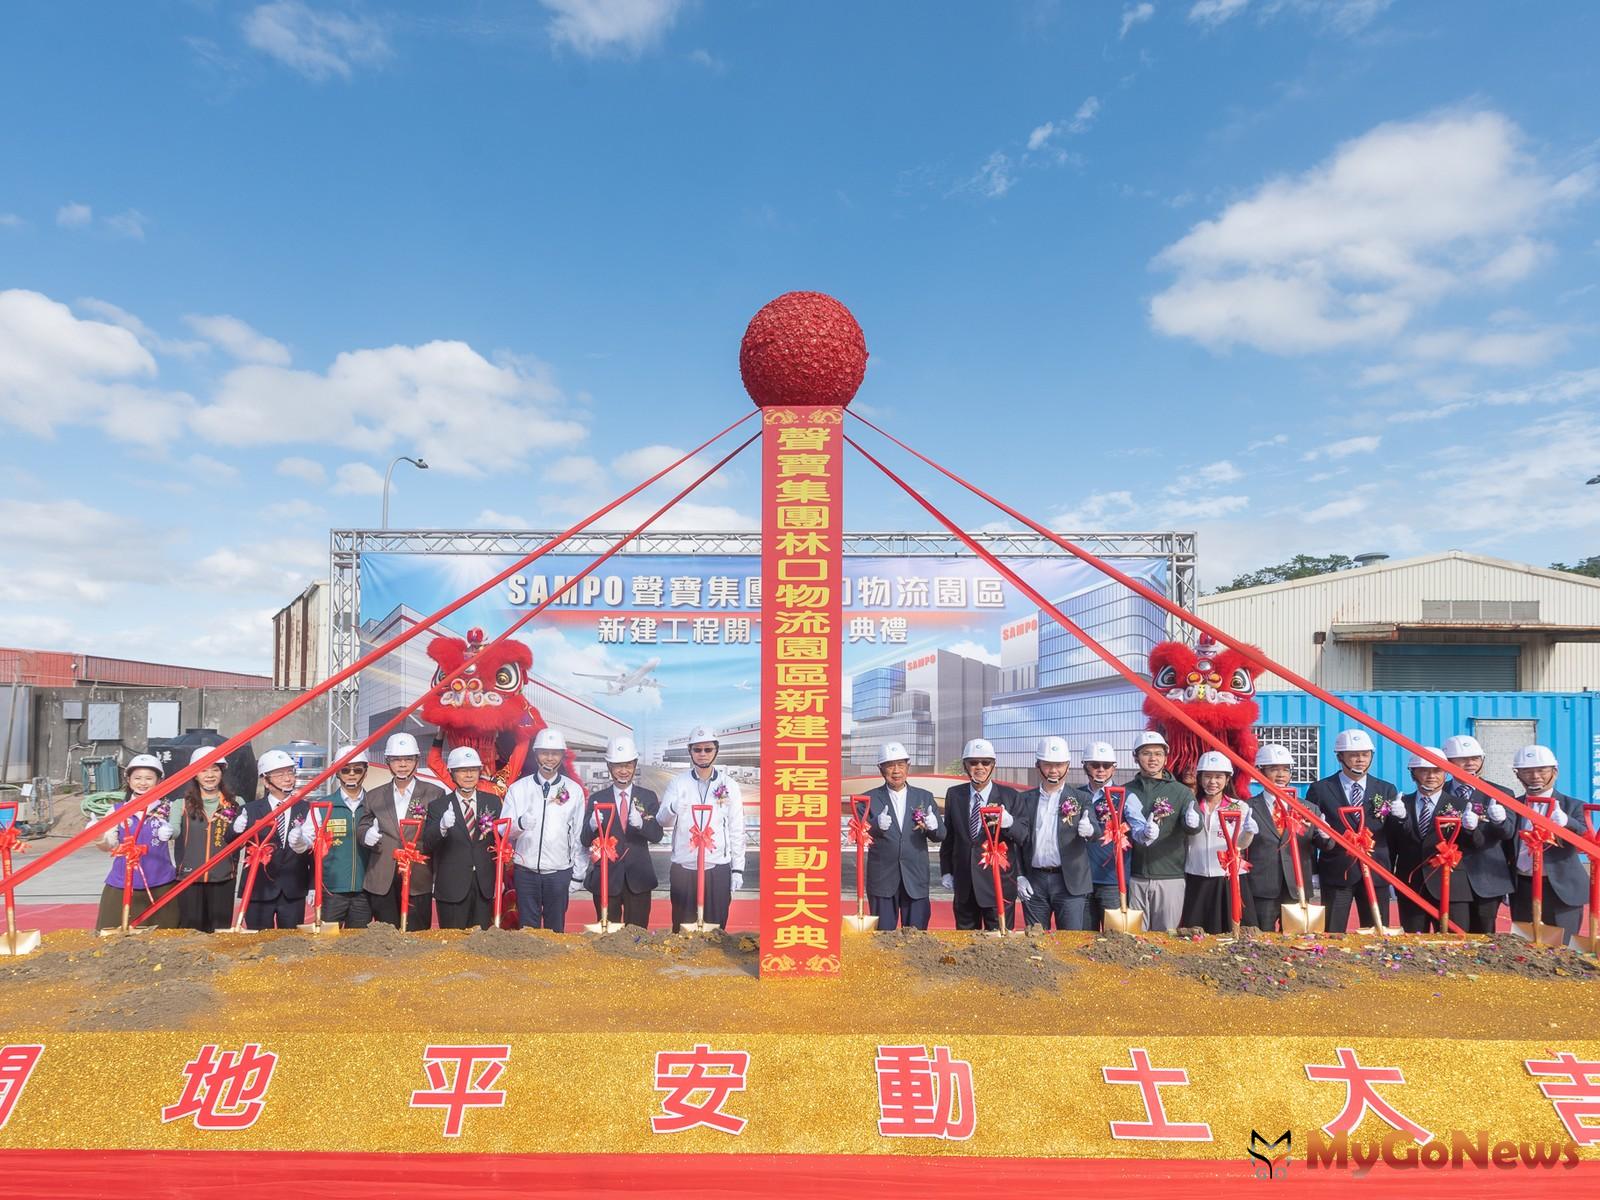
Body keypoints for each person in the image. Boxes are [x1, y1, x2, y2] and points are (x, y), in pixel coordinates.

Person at [1306, 729, 1400, 932]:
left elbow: (1393, 836)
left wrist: (1401, 819)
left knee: (1376, 931)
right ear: (1340, 756)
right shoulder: (1320, 789)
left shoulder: (1386, 789)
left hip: (1376, 872)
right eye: (1354, 755)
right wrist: (1313, 870)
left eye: (1365, 754)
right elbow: (1311, 834)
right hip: (1337, 872)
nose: (1360, 760)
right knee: (1333, 931)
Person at [658, 724, 746, 932]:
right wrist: (672, 808)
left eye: (708, 749)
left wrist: (737, 869)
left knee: (716, 927)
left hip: (717, 865)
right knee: (682, 926)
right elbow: (663, 821)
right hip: (684, 866)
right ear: (690, 752)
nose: (703, 754)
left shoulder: (729, 785)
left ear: (716, 750)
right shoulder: (678, 783)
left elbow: (736, 828)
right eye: (697, 749)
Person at [937, 738, 1028, 931]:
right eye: (973, 762)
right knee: (965, 943)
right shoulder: (955, 794)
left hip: (998, 886)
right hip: (964, 885)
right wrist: (946, 870)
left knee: (1000, 947)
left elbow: (1023, 836)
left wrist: (1009, 823)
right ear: (965, 765)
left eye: (985, 762)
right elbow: (950, 837)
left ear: (993, 765)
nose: (979, 767)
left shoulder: (1011, 796)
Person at [500, 728, 586, 932]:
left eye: (555, 753)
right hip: (525, 872)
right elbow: (503, 829)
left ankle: (554, 965)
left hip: (558, 873)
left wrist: (578, 874)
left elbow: (578, 836)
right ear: (536, 754)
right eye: (544, 752)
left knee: (555, 930)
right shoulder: (518, 789)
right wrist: (519, 824)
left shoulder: (573, 791)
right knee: (527, 931)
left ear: (562, 756)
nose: (549, 758)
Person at [358, 732, 444, 931]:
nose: (402, 764)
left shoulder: (434, 793)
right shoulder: (374, 796)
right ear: (388, 762)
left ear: (416, 761)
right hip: (382, 875)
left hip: (418, 876)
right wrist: (366, 835)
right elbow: (362, 826)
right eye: (397, 760)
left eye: (408, 759)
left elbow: (436, 838)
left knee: (417, 935)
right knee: (385, 936)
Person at [1389, 748, 1481, 934]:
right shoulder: (1400, 804)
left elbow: (1475, 846)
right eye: (1424, 770)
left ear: (1446, 773)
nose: (1431, 776)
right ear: (1413, 773)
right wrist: (1390, 878)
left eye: (1437, 770)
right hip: (1412, 885)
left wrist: (1471, 830)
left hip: (1452, 887)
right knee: (1414, 945)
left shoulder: (1461, 805)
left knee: (1455, 946)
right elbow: (1391, 845)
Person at [1508, 744, 1588, 944]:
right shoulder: (1512, 805)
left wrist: (1567, 823)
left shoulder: (1574, 805)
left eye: (1541, 770)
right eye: (1527, 771)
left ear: (1555, 772)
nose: (1535, 776)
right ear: (1518, 774)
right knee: (1524, 947)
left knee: (1563, 948)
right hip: (1523, 887)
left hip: (1561, 890)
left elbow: (1584, 835)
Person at [1018, 736, 1100, 931]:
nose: (1053, 770)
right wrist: (1019, 876)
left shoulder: (1081, 798)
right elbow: (1016, 842)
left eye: (1059, 765)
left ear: (1068, 766)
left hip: (1070, 882)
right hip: (1035, 881)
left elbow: (1096, 831)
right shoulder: (1024, 799)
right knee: (1036, 942)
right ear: (1038, 765)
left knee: (1070, 942)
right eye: (1047, 765)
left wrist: (1089, 831)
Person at [581, 736, 662, 929]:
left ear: (634, 765)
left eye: (628, 765)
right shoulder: (597, 798)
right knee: (607, 937)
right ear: (609, 766)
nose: (623, 771)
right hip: (607, 878)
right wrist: (592, 825)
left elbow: (657, 835)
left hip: (639, 878)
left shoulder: (647, 797)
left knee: (637, 936)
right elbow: (584, 839)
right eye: (618, 766)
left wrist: (641, 824)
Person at [861, 741, 943, 931]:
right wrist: (875, 827)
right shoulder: (868, 799)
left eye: (900, 764)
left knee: (917, 939)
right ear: (881, 769)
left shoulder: (924, 797)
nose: (896, 770)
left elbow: (940, 835)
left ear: (908, 766)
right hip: (883, 880)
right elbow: (858, 834)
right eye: (890, 765)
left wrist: (933, 826)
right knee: (882, 938)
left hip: (915, 878)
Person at [96, 753, 180, 930]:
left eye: (149, 778)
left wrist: (171, 832)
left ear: (159, 780)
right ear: (128, 779)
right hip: (122, 882)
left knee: (165, 935)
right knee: (112, 933)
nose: (143, 783)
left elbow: (179, 831)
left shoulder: (169, 808)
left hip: (161, 882)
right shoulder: (117, 810)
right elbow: (108, 844)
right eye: (137, 778)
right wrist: (97, 835)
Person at [1441, 733, 1516, 933]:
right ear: (1448, 762)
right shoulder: (1439, 793)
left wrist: (1500, 821)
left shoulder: (1501, 793)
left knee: (1485, 937)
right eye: (1463, 759)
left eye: (1475, 758)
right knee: (1453, 936)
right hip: (1451, 877)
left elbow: (1508, 834)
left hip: (1487, 878)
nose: (1470, 763)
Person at [424, 747, 503, 931]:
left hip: (484, 886)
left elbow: (499, 840)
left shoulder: (492, 802)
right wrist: (441, 827)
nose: (469, 775)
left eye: (473, 769)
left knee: (481, 945)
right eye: (462, 770)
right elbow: (427, 844)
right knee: (453, 948)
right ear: (452, 773)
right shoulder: (438, 806)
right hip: (452, 888)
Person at [1179, 751, 1258, 934]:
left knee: (1231, 932)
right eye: (1207, 776)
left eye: (1218, 777)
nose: (1212, 782)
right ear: (1199, 778)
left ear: (1227, 778)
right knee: (1196, 934)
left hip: (1229, 879)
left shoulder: (1239, 807)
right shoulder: (1190, 805)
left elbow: (1241, 844)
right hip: (1196, 876)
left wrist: (1248, 832)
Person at [236, 748, 314, 930]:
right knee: (258, 943)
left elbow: (313, 851)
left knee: (291, 946)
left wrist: (312, 885)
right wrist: (235, 829)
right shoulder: (251, 810)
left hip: (293, 890)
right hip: (259, 890)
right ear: (266, 781)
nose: (287, 778)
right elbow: (232, 844)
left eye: (290, 773)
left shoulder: (306, 808)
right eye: (279, 775)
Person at [1242, 744, 1314, 932]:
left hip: (1297, 888)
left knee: (1297, 942)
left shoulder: (1308, 808)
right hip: (1262, 887)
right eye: (1274, 769)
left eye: (1285, 769)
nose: (1281, 775)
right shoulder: (1247, 807)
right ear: (1259, 771)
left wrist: (1325, 834)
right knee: (1262, 941)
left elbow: (1325, 845)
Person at [1127, 731, 1193, 933]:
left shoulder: (1181, 791)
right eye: (1146, 753)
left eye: (1158, 753)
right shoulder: (1126, 790)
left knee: (1167, 937)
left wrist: (1193, 822)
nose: (1153, 758)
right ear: (1136, 757)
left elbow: (1194, 828)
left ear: (1166, 757)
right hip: (1135, 876)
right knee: (1134, 936)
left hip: (1170, 876)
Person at [172, 746, 241, 933]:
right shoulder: (181, 805)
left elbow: (244, 838)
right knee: (190, 932)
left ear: (222, 773)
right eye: (204, 770)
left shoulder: (237, 804)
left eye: (215, 769)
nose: (209, 775)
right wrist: (167, 831)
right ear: (195, 774)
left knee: (220, 933)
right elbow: (174, 831)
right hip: (189, 878)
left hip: (223, 877)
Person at [1079, 741, 1145, 927]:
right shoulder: (1075, 795)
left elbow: (1139, 830)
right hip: (1080, 880)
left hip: (1112, 881)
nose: (1101, 770)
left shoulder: (1126, 796)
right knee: (1082, 938)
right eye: (1095, 765)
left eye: (1106, 765)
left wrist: (1147, 833)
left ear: (1114, 768)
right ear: (1085, 766)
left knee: (1116, 938)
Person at [318, 744, 373, 929]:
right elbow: (309, 849)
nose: (351, 774)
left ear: (365, 772)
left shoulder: (375, 804)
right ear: (336, 772)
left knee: (357, 946)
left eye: (357, 769)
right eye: (345, 769)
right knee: (327, 944)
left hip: (364, 890)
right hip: (332, 890)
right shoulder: (323, 806)